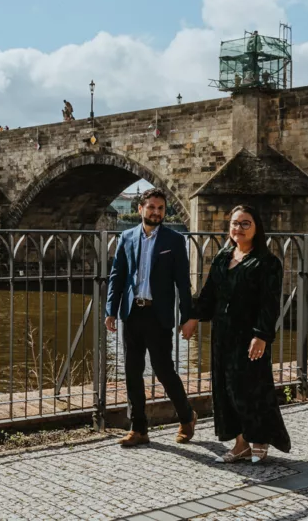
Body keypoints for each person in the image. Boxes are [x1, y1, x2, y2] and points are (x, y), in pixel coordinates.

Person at [181, 205, 291, 463]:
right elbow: (209, 293)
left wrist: (262, 335)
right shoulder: (222, 256)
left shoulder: (267, 262)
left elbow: (269, 303)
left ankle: (260, 437)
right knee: (227, 388)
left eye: (245, 224)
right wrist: (194, 318)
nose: (238, 228)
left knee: (252, 387)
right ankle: (241, 442)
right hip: (223, 333)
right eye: (234, 223)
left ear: (256, 228)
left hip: (249, 335)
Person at [106, 188, 197, 447]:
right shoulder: (126, 237)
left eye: (161, 208)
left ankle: (186, 416)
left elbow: (182, 282)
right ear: (140, 209)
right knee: (132, 371)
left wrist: (188, 317)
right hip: (132, 312)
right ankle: (138, 429)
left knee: (163, 369)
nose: (156, 212)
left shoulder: (174, 240)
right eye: (152, 207)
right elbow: (117, 276)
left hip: (159, 315)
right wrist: (110, 310)